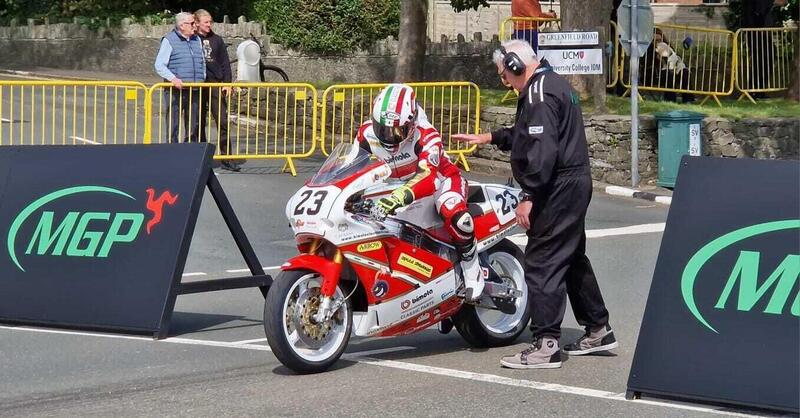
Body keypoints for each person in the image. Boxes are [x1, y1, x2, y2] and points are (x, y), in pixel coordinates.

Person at [453, 40, 617, 369]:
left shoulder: (539, 92)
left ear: (516, 66)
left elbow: (541, 151)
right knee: (570, 257)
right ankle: (598, 328)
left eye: (504, 75)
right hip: (571, 182)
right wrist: (490, 138)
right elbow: (530, 133)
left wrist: (528, 196)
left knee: (542, 261)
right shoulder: (553, 84)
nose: (505, 82)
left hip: (556, 185)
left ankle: (546, 344)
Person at [358, 83, 485, 301]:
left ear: (412, 123)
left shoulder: (426, 135)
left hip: (441, 182)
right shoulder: (366, 134)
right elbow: (352, 166)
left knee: (453, 210)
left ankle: (471, 266)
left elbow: (428, 176)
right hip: (393, 187)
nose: (389, 136)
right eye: (383, 129)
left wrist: (399, 197)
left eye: (397, 130)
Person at [194, 9, 240, 172]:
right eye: (206, 22)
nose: (209, 25)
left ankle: (226, 157)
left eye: (210, 22)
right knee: (198, 122)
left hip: (215, 84)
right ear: (197, 22)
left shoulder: (217, 40)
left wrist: (227, 83)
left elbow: (225, 63)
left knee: (222, 120)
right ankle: (201, 157)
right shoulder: (191, 39)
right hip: (198, 84)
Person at [154, 12, 206, 143]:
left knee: (193, 125)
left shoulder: (197, 40)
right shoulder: (169, 40)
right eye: (192, 23)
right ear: (182, 25)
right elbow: (159, 65)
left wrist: (202, 77)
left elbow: (202, 62)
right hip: (175, 90)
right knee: (173, 123)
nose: (195, 26)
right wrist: (173, 79)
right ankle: (172, 151)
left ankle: (189, 153)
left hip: (194, 88)